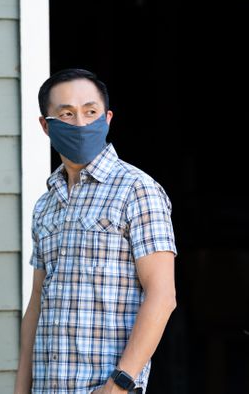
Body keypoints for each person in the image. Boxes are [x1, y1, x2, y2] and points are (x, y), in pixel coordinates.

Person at [14, 68, 177, 394]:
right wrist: (21, 388)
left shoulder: (137, 190)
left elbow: (161, 295)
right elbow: (37, 302)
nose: (81, 123)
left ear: (107, 118)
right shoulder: (44, 206)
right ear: (46, 126)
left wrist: (119, 385)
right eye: (67, 114)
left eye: (91, 112)